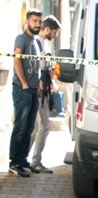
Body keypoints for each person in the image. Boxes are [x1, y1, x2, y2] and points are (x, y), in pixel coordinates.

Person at [9, 9, 43, 177]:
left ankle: (22, 160)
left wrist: (39, 84)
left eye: (39, 21)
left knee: (29, 127)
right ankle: (14, 163)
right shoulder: (21, 39)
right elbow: (17, 61)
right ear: (27, 21)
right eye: (34, 21)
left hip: (34, 90)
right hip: (22, 89)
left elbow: (37, 66)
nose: (37, 24)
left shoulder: (36, 42)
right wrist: (24, 83)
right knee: (21, 127)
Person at [29, 15, 62, 174]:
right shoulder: (36, 42)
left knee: (37, 126)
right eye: (54, 32)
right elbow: (33, 66)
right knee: (43, 125)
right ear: (48, 29)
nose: (55, 36)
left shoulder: (45, 43)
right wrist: (39, 83)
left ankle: (24, 160)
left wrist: (53, 82)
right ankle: (33, 161)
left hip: (44, 87)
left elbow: (47, 66)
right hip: (38, 88)